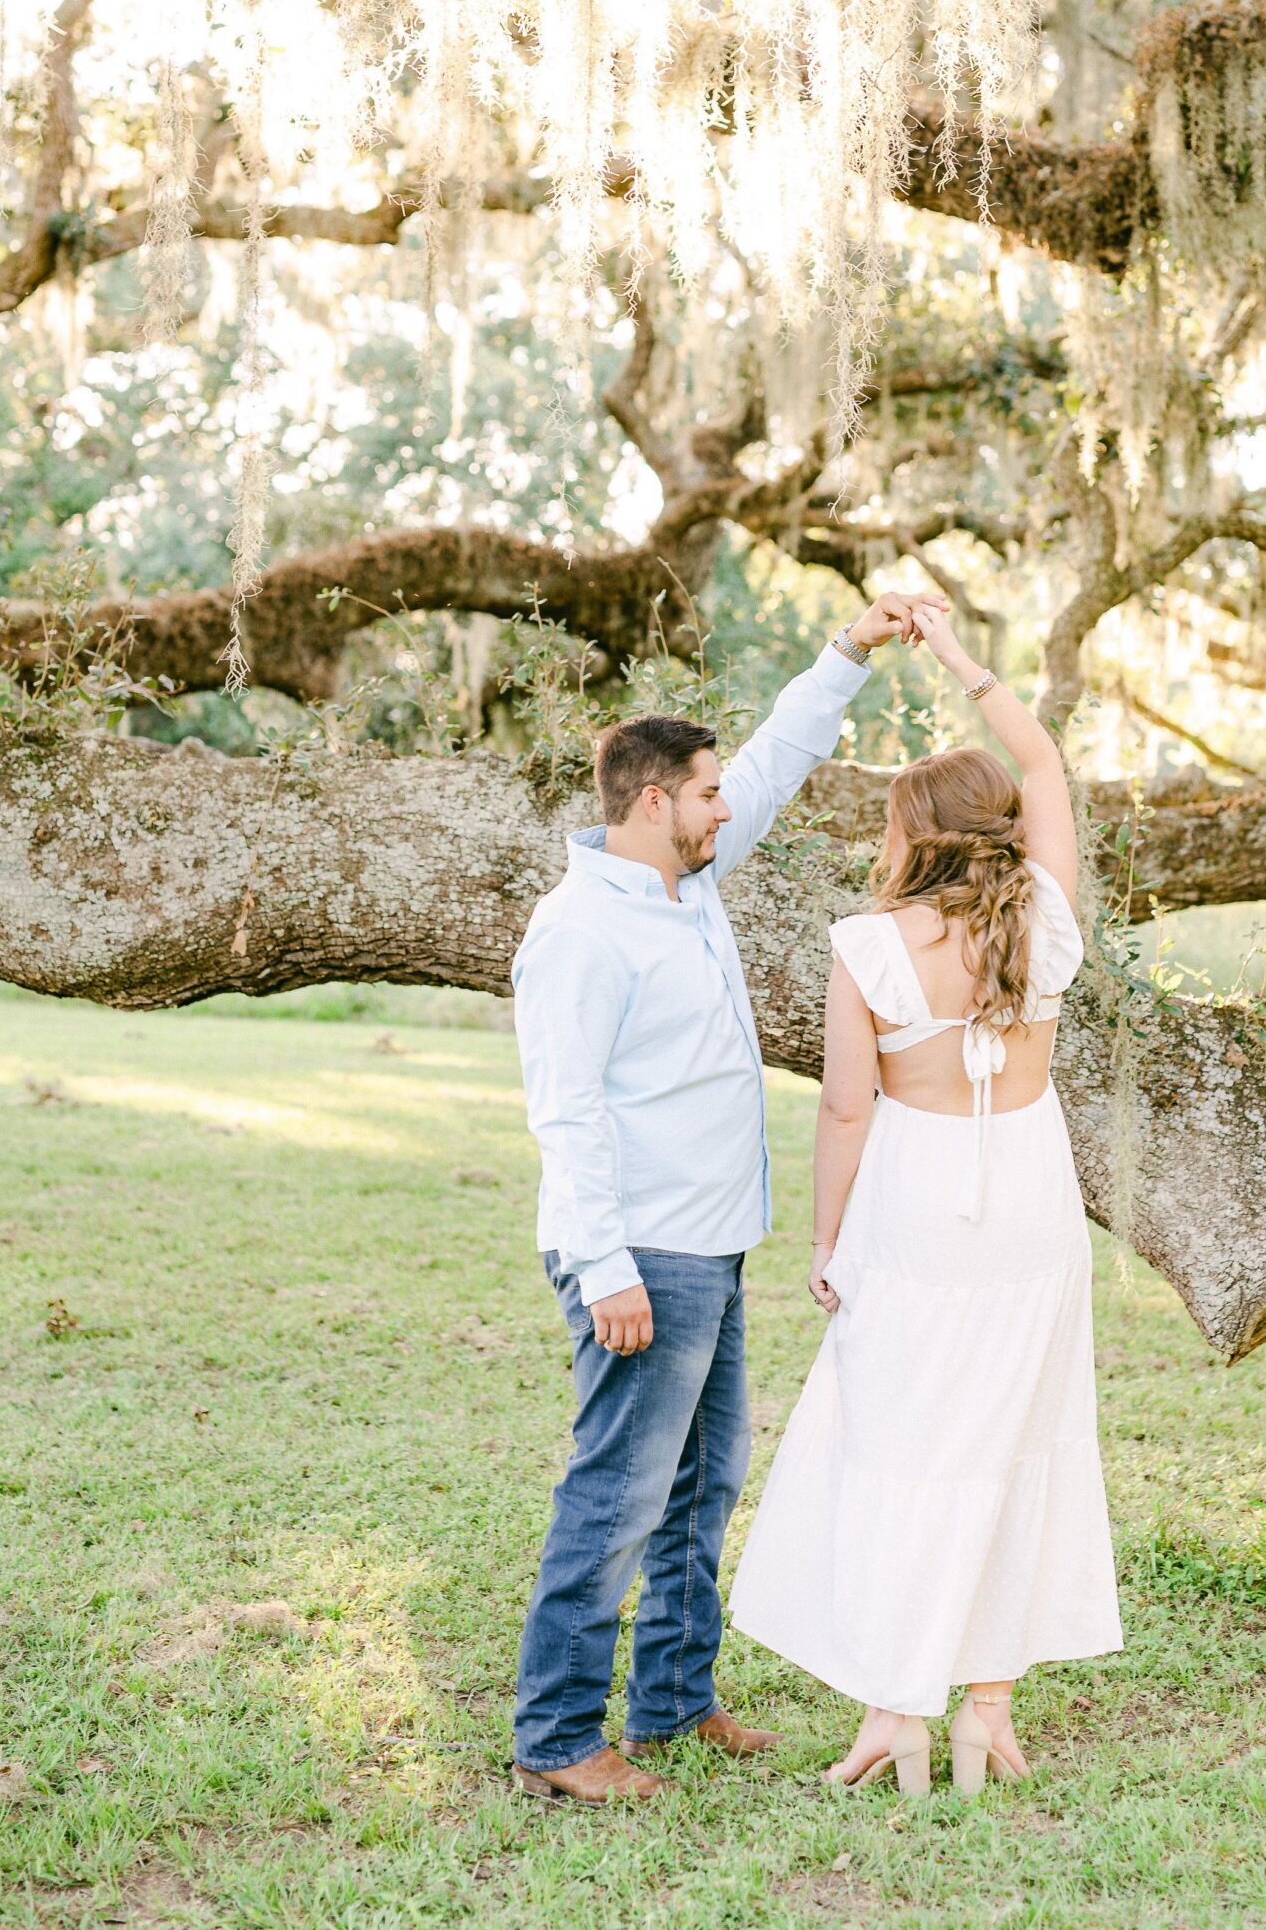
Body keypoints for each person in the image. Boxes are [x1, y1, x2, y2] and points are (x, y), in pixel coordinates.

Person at [509, 591, 944, 1805]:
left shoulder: (683, 883)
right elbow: (566, 1109)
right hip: (640, 1252)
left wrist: (849, 650)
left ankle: (672, 1700)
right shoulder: (578, 932)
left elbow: (778, 756)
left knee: (702, 1487)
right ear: (654, 802)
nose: (724, 807)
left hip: (712, 1241)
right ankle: (555, 1739)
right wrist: (604, 1269)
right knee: (617, 1492)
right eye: (705, 794)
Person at [728, 601, 1122, 1796]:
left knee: (898, 1436)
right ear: (998, 828)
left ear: (912, 834)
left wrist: (824, 1237)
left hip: (913, 1195)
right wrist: (956, 657)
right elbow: (1043, 757)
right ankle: (985, 1708)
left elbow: (844, 1108)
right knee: (1014, 1434)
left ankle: (897, 1706)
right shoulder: (1045, 918)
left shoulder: (867, 942)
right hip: (1028, 1196)